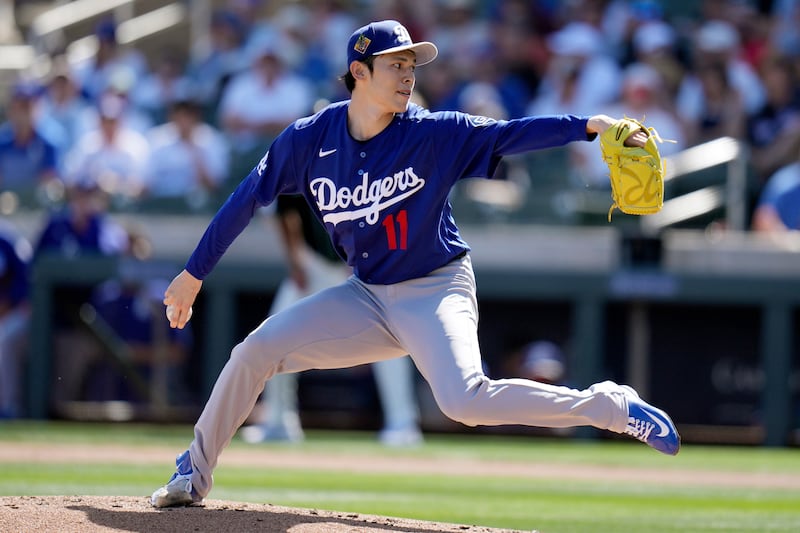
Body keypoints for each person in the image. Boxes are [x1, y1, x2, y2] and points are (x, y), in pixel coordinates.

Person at [151, 19, 680, 508]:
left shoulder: (431, 131)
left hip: (436, 287)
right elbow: (245, 199)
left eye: (412, 65)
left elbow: (510, 133)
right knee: (253, 351)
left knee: (464, 401)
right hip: (366, 295)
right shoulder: (308, 139)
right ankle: (192, 474)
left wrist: (592, 124)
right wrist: (193, 273)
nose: (408, 75)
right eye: (395, 64)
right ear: (359, 72)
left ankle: (608, 407)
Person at [240, 194, 422, 446]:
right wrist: (295, 263)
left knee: (390, 339)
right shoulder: (302, 160)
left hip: (360, 265)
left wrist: (364, 260)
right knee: (273, 334)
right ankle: (279, 422)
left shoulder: (359, 161)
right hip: (313, 263)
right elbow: (285, 214)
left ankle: (402, 424)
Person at [0, 222, 32, 419]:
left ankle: (9, 406)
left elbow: (25, 282)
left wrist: (7, 305)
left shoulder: (7, 239)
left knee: (7, 337)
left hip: (9, 314)